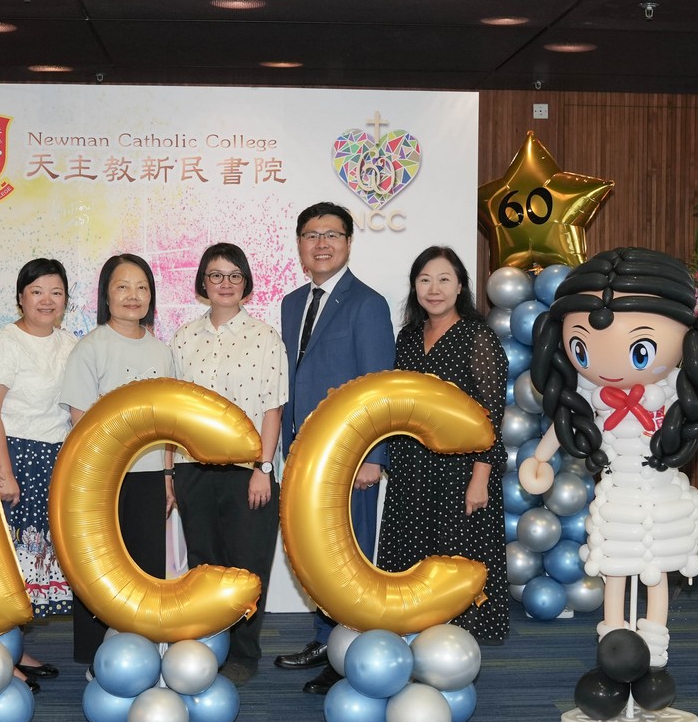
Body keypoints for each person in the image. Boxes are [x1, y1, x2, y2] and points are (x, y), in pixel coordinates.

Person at [520, 247, 698, 707]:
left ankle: (654, 658)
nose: (607, 365)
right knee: (614, 572)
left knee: (657, 575)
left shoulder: (676, 393)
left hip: (661, 499)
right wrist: (540, 460)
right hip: (615, 499)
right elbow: (561, 428)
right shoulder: (587, 396)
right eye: (581, 347)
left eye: (640, 348)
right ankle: (613, 654)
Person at [273, 202, 395, 694]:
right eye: (311, 235)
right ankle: (327, 640)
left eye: (332, 234)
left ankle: (351, 655)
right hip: (303, 455)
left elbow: (378, 389)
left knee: (351, 556)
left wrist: (373, 457)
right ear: (299, 244)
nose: (321, 243)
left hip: (351, 458)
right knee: (317, 553)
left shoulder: (368, 303)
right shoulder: (290, 303)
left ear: (348, 242)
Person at [169, 243, 289, 684]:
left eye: (234, 275)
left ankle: (243, 654)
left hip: (247, 471)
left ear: (246, 283)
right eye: (216, 275)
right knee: (205, 566)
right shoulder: (183, 338)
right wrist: (170, 471)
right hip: (192, 467)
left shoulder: (265, 337)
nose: (225, 283)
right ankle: (208, 646)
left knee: (247, 565)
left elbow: (273, 409)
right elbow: (173, 411)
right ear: (203, 282)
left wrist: (263, 468)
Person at [376, 247, 509, 643]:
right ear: (415, 287)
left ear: (460, 286)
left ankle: (455, 639)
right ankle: (412, 624)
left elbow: (490, 416)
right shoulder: (408, 337)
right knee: (411, 554)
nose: (434, 289)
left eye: (444, 280)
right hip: (411, 466)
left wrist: (480, 478)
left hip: (461, 470)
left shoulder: (478, 337)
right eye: (425, 280)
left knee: (454, 555)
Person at [58, 253, 177, 665]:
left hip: (148, 474)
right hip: (101, 476)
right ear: (106, 295)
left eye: (142, 287)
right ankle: (95, 656)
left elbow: (169, 420)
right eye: (123, 287)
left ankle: (143, 650)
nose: (133, 295)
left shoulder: (162, 352)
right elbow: (80, 421)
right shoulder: (90, 348)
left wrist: (167, 475)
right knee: (99, 566)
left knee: (146, 567)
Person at [0, 257, 77, 685]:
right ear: (20, 297)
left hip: (55, 460)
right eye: (37, 292)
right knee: (6, 562)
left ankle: (15, 650)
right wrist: (5, 474)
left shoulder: (70, 344)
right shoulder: (5, 343)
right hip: (14, 457)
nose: (46, 300)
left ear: (66, 300)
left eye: (56, 292)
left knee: (33, 563)